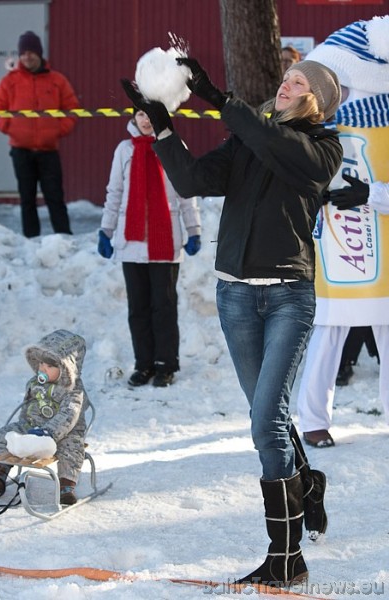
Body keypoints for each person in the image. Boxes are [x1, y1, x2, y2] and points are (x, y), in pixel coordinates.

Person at [122, 55, 342, 587]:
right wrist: (164, 123)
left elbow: (277, 145)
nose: (286, 84)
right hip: (236, 298)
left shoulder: (321, 148)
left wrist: (219, 99)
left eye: (297, 82)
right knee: (270, 413)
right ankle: (306, 481)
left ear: (315, 99)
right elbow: (194, 180)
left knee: (266, 422)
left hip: (288, 298)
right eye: (284, 77)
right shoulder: (250, 138)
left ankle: (285, 559)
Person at [295, 17, 389, 448]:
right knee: (329, 328)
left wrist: (373, 194)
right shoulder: (315, 125)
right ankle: (313, 419)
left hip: (384, 241)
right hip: (335, 239)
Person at [97, 108, 201, 388]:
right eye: (141, 114)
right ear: (133, 117)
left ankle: (165, 364)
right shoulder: (124, 150)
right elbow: (114, 192)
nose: (146, 121)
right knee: (138, 307)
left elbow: (185, 192)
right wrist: (106, 231)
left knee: (164, 306)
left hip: (165, 239)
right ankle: (143, 364)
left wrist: (194, 230)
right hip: (131, 242)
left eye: (151, 115)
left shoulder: (174, 147)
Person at [0, 31, 79, 238]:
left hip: (48, 151)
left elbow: (72, 108)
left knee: (55, 197)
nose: (27, 56)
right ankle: (31, 240)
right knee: (27, 199)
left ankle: (64, 239)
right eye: (23, 53)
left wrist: (60, 129)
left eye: (31, 52)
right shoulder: (9, 82)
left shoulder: (57, 81)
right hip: (21, 151)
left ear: (39, 53)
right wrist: (8, 127)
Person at [0, 330, 89, 505]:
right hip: (32, 426)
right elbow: (27, 406)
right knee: (5, 432)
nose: (42, 368)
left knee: (72, 447)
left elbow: (69, 415)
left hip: (64, 433)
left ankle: (66, 486)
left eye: (49, 366)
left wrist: (48, 432)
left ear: (66, 368)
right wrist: (23, 427)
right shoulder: (35, 383)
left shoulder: (73, 390)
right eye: (41, 363)